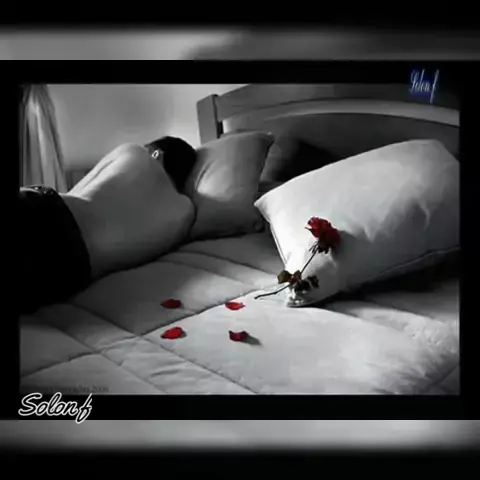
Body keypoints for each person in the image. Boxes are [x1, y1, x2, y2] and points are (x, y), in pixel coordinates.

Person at [20, 136, 197, 315]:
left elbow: (76, 191)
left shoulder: (136, 152)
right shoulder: (185, 211)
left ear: (156, 153)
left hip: (48, 215)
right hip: (71, 272)